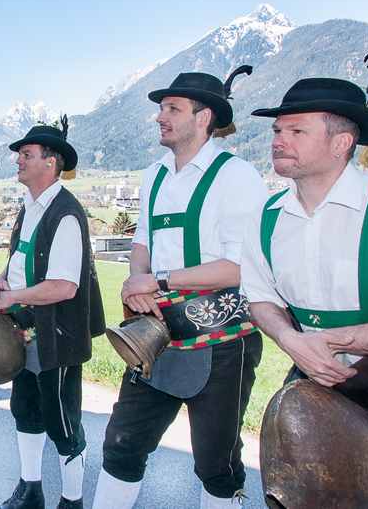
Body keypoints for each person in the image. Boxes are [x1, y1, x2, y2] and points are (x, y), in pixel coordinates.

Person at [92, 71, 268, 509]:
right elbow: (142, 243)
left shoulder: (237, 177)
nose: (159, 117)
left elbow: (239, 267)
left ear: (203, 117)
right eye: (161, 108)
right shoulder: (155, 175)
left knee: (215, 463)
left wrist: (160, 282)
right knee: (121, 443)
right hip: (155, 334)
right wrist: (137, 281)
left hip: (222, 342)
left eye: (172, 109)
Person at [240, 77, 368, 507]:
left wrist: (331, 341)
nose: (278, 141)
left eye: (296, 131)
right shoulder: (266, 217)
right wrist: (290, 340)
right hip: (313, 403)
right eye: (276, 131)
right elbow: (260, 300)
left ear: (341, 142)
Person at [0, 118, 105, 509]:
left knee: (63, 423)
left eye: (27, 155)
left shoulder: (65, 213)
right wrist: (1, 282)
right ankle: (31, 489)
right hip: (25, 329)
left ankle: (71, 501)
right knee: (26, 411)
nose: (18, 160)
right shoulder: (30, 208)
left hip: (57, 336)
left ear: (50, 163)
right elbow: (18, 259)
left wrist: (13, 295)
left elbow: (64, 287)